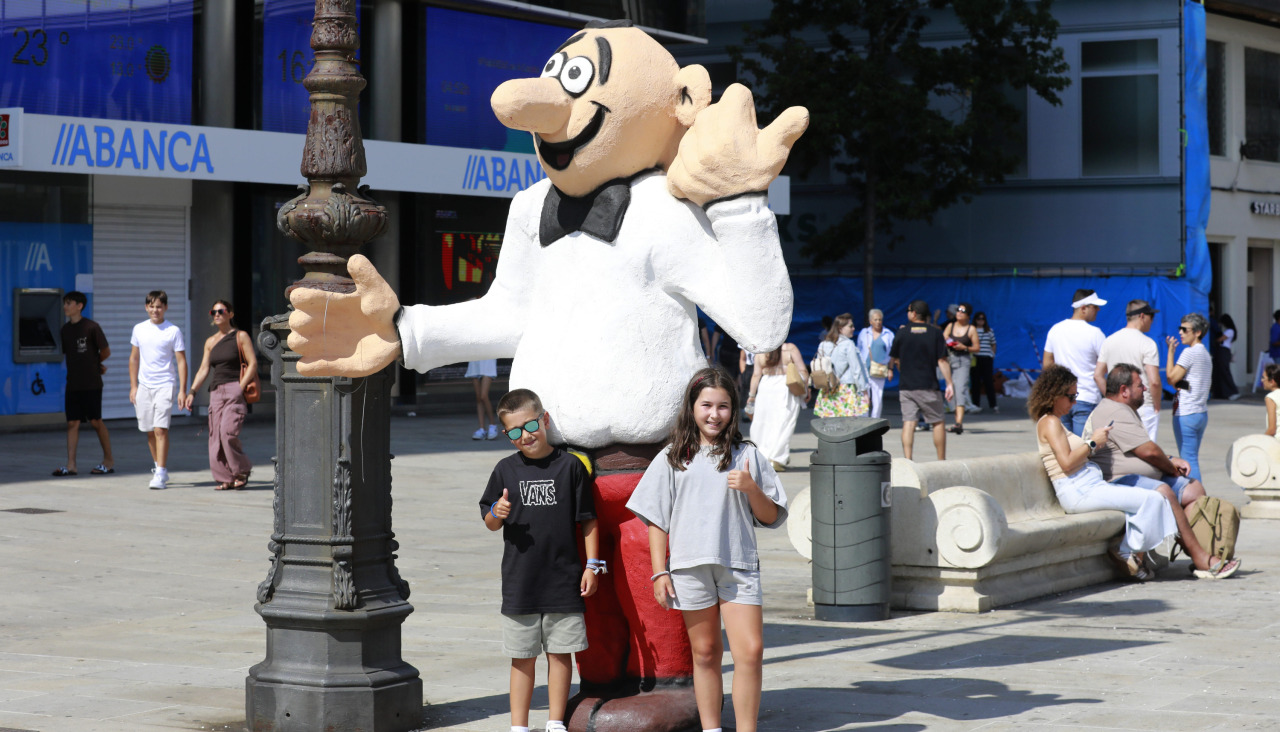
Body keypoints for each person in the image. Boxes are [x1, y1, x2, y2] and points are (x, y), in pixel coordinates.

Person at [285, 23, 807, 723]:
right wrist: (406, 330)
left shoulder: (665, 208)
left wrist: (743, 203)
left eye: (578, 81)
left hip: (649, 463)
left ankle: (677, 688)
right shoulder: (531, 208)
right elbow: (507, 312)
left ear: (677, 99)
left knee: (652, 583)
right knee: (577, 590)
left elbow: (759, 323)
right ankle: (606, 683)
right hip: (561, 466)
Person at [627, 367, 788, 732]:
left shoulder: (747, 455)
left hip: (739, 565)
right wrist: (658, 571)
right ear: (692, 407)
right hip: (688, 568)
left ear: (733, 410)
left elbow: (772, 516)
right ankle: (712, 728)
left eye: (724, 406)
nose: (714, 414)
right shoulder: (673, 456)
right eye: (707, 405)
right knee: (705, 654)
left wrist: (751, 489)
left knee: (750, 651)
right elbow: (656, 520)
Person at [480, 388, 601, 732]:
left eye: (530, 426)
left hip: (564, 578)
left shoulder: (570, 468)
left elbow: (589, 519)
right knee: (522, 657)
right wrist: (496, 512)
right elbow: (489, 521)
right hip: (520, 581)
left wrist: (593, 565)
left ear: (544, 419)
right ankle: (519, 726)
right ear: (506, 435)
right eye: (514, 432)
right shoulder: (505, 469)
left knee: (562, 654)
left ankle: (555, 722)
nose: (525, 436)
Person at [1083, 364, 1241, 578]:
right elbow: (1148, 451)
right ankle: (1200, 557)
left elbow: (1142, 449)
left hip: (1141, 476)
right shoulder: (1113, 411)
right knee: (1164, 491)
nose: (1146, 390)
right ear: (1124, 390)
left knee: (1194, 489)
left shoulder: (1123, 409)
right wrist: (1170, 467)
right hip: (1121, 481)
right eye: (1140, 386)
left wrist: (1170, 459)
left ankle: (1194, 545)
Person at [1030, 365, 1184, 582]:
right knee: (1153, 500)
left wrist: (1092, 444)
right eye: (1070, 396)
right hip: (1078, 490)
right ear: (1054, 394)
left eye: (1076, 396)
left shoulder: (1052, 422)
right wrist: (1093, 442)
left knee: (1151, 501)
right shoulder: (1050, 422)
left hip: (1087, 486)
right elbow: (1066, 463)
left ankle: (1133, 556)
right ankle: (1127, 552)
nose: (1074, 402)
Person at [184, 300, 257, 490]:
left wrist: (239, 388)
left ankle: (242, 469)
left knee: (227, 433)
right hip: (216, 392)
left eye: (221, 311)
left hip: (234, 388)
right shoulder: (210, 342)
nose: (217, 314)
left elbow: (252, 364)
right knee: (215, 437)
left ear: (230, 314)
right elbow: (203, 369)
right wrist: (192, 391)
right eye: (213, 312)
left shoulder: (240, 336)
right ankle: (226, 478)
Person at [129, 290, 187, 490]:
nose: (155, 310)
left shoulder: (173, 331)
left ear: (166, 308)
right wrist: (134, 386)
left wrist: (182, 390)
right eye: (152, 306)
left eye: (159, 306)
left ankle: (161, 472)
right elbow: (134, 358)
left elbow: (181, 361)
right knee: (149, 431)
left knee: (160, 429)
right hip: (144, 385)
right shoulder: (139, 329)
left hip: (165, 384)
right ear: (146, 307)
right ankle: (158, 466)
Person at [53, 290, 115, 476]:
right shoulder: (65, 330)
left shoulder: (91, 327)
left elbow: (105, 351)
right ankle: (71, 465)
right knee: (72, 423)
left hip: (92, 384)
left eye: (69, 303)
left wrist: (97, 364)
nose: (65, 306)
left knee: (96, 422)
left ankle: (108, 461)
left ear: (79, 306)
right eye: (65, 303)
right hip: (73, 384)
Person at [890, 299, 954, 460]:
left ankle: (908, 460)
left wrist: (901, 370)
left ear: (913, 313)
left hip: (906, 386)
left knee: (909, 422)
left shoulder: (902, 333)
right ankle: (941, 460)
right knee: (938, 422)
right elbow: (942, 360)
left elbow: (895, 359)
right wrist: (949, 383)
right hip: (928, 385)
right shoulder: (935, 333)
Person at [1094, 300, 1161, 441]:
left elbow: (1098, 375)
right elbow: (1154, 381)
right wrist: (1156, 405)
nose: (1153, 321)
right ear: (1142, 316)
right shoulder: (1147, 344)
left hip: (1117, 405)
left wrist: (1111, 398)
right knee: (1147, 451)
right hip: (1143, 404)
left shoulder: (1109, 341)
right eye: (1151, 317)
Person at [1043, 289, 1108, 435]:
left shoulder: (1055, 330)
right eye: (1095, 306)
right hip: (1087, 398)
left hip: (1061, 397)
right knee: (1085, 449)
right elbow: (1107, 365)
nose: (1098, 309)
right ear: (1083, 308)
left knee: (1065, 449)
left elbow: (1047, 365)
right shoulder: (1095, 333)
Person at [747, 341, 808, 472]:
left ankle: (760, 456)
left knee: (763, 423)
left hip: (765, 387)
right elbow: (802, 370)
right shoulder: (790, 348)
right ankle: (776, 458)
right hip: (786, 387)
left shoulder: (760, 350)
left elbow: (756, 375)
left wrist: (751, 395)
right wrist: (805, 390)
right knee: (784, 423)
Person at [1166, 313, 1212, 482]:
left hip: (1186, 412)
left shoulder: (1189, 352)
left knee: (1188, 461)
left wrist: (1170, 353)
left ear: (1197, 332)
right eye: (1180, 328)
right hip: (1200, 412)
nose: (1181, 333)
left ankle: (1197, 500)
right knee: (1192, 457)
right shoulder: (1205, 354)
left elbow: (1171, 378)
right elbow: (1186, 382)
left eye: (1185, 329)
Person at [814, 313, 870, 419]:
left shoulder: (823, 344)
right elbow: (856, 369)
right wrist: (864, 391)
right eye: (850, 326)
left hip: (827, 388)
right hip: (845, 389)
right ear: (840, 328)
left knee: (829, 425)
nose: (853, 328)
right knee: (847, 426)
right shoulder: (848, 344)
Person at [943, 303, 979, 433]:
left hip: (963, 360)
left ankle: (959, 423)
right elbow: (943, 339)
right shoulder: (950, 326)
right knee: (950, 389)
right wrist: (948, 342)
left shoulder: (971, 329)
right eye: (958, 310)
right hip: (950, 359)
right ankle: (955, 418)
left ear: (968, 315)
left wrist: (964, 347)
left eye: (962, 311)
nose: (959, 313)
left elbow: (977, 348)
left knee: (960, 389)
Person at [857, 308, 894, 419]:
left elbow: (892, 353)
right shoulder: (864, 333)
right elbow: (859, 349)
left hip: (880, 369)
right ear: (870, 321)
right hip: (864, 369)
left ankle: (875, 420)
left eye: (880, 319)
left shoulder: (888, 334)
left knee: (877, 396)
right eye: (875, 319)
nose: (878, 322)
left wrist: (890, 369)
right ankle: (863, 419)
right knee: (863, 395)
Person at [969, 311, 998, 413]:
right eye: (978, 319)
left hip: (986, 358)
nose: (980, 321)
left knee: (988, 382)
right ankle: (975, 404)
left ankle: (993, 405)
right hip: (976, 358)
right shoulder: (972, 330)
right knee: (975, 382)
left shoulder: (989, 331)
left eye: (982, 319)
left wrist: (993, 355)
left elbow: (993, 344)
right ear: (975, 320)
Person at [466, 358, 499, 440]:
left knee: (483, 396)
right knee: (478, 398)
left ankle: (493, 425)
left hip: (488, 359)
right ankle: (482, 429)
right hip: (475, 358)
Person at [1212, 313, 1240, 401]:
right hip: (1223, 351)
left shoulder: (1230, 331)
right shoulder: (1228, 331)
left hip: (1223, 351)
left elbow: (1220, 339)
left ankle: (1233, 391)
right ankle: (1222, 393)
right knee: (1220, 372)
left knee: (1225, 372)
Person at [1263, 363, 1280, 437]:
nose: (1262, 380)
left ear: (1271, 382)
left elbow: (1272, 429)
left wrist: (1260, 441)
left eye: (1263, 378)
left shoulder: (1271, 397)